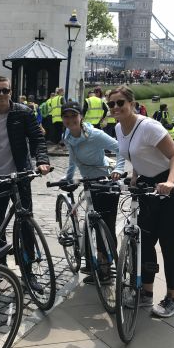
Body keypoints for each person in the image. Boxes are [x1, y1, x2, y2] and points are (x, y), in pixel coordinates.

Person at [110, 85, 174, 317]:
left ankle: (172, 299)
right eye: (111, 104)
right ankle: (146, 293)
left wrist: (171, 183)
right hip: (148, 186)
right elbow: (137, 155)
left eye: (120, 103)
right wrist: (135, 177)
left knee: (169, 246)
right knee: (145, 242)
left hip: (172, 187)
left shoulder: (148, 127)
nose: (115, 108)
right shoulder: (118, 128)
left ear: (132, 104)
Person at [0, 75, 51, 291]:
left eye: (5, 91)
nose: (1, 95)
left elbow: (37, 139)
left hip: (21, 176)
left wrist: (43, 161)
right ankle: (1, 265)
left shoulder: (23, 112)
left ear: (11, 92)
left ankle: (28, 272)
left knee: (26, 223)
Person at [61, 100, 125, 284]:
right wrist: (68, 177)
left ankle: (107, 268)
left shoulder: (95, 135)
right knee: (91, 222)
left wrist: (118, 170)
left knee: (105, 224)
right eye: (66, 116)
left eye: (74, 115)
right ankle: (92, 264)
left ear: (81, 116)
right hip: (89, 182)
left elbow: (120, 149)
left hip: (106, 181)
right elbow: (73, 159)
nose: (70, 119)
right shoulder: (67, 134)